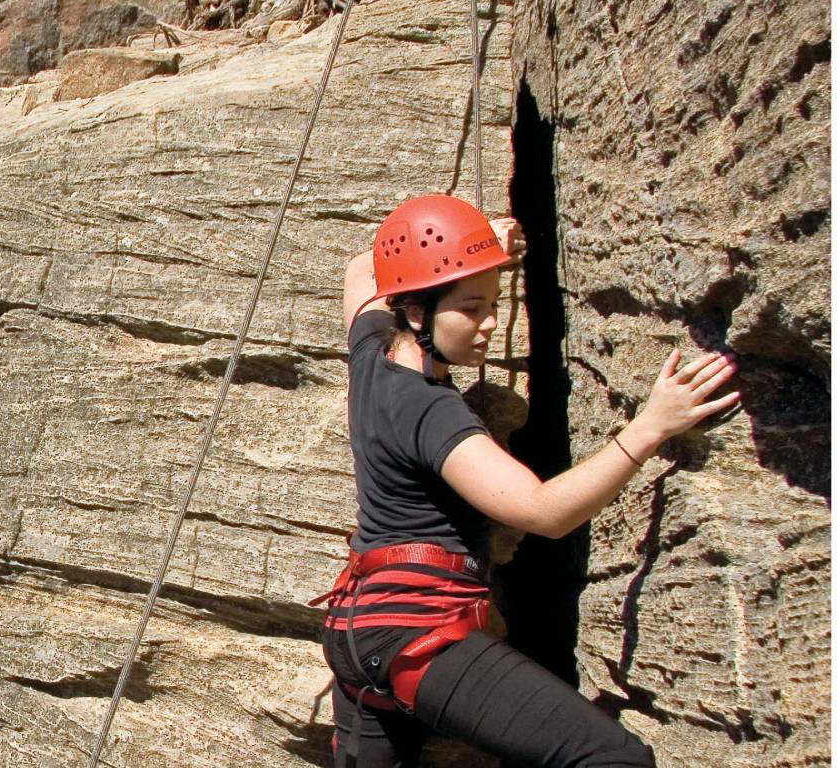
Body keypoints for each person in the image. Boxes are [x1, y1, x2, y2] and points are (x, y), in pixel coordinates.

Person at [314, 194, 741, 767]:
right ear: (416, 311)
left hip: (354, 633)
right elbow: (543, 511)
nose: (490, 323)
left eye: (494, 303)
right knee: (615, 759)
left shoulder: (370, 349)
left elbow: (361, 269)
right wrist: (650, 427)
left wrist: (473, 244)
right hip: (416, 638)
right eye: (471, 309)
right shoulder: (430, 409)